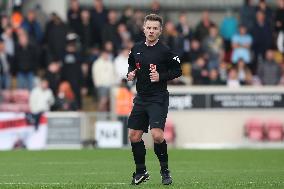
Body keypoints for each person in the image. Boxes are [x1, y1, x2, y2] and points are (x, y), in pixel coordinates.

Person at [127, 14, 182, 185]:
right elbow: (132, 64)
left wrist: (161, 76)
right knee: (134, 136)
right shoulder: (136, 48)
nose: (151, 31)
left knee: (157, 135)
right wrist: (131, 73)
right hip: (141, 97)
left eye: (155, 28)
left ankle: (165, 171)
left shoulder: (165, 51)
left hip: (158, 97)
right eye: (149, 28)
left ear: (160, 31)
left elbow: (178, 70)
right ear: (144, 29)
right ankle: (141, 171)